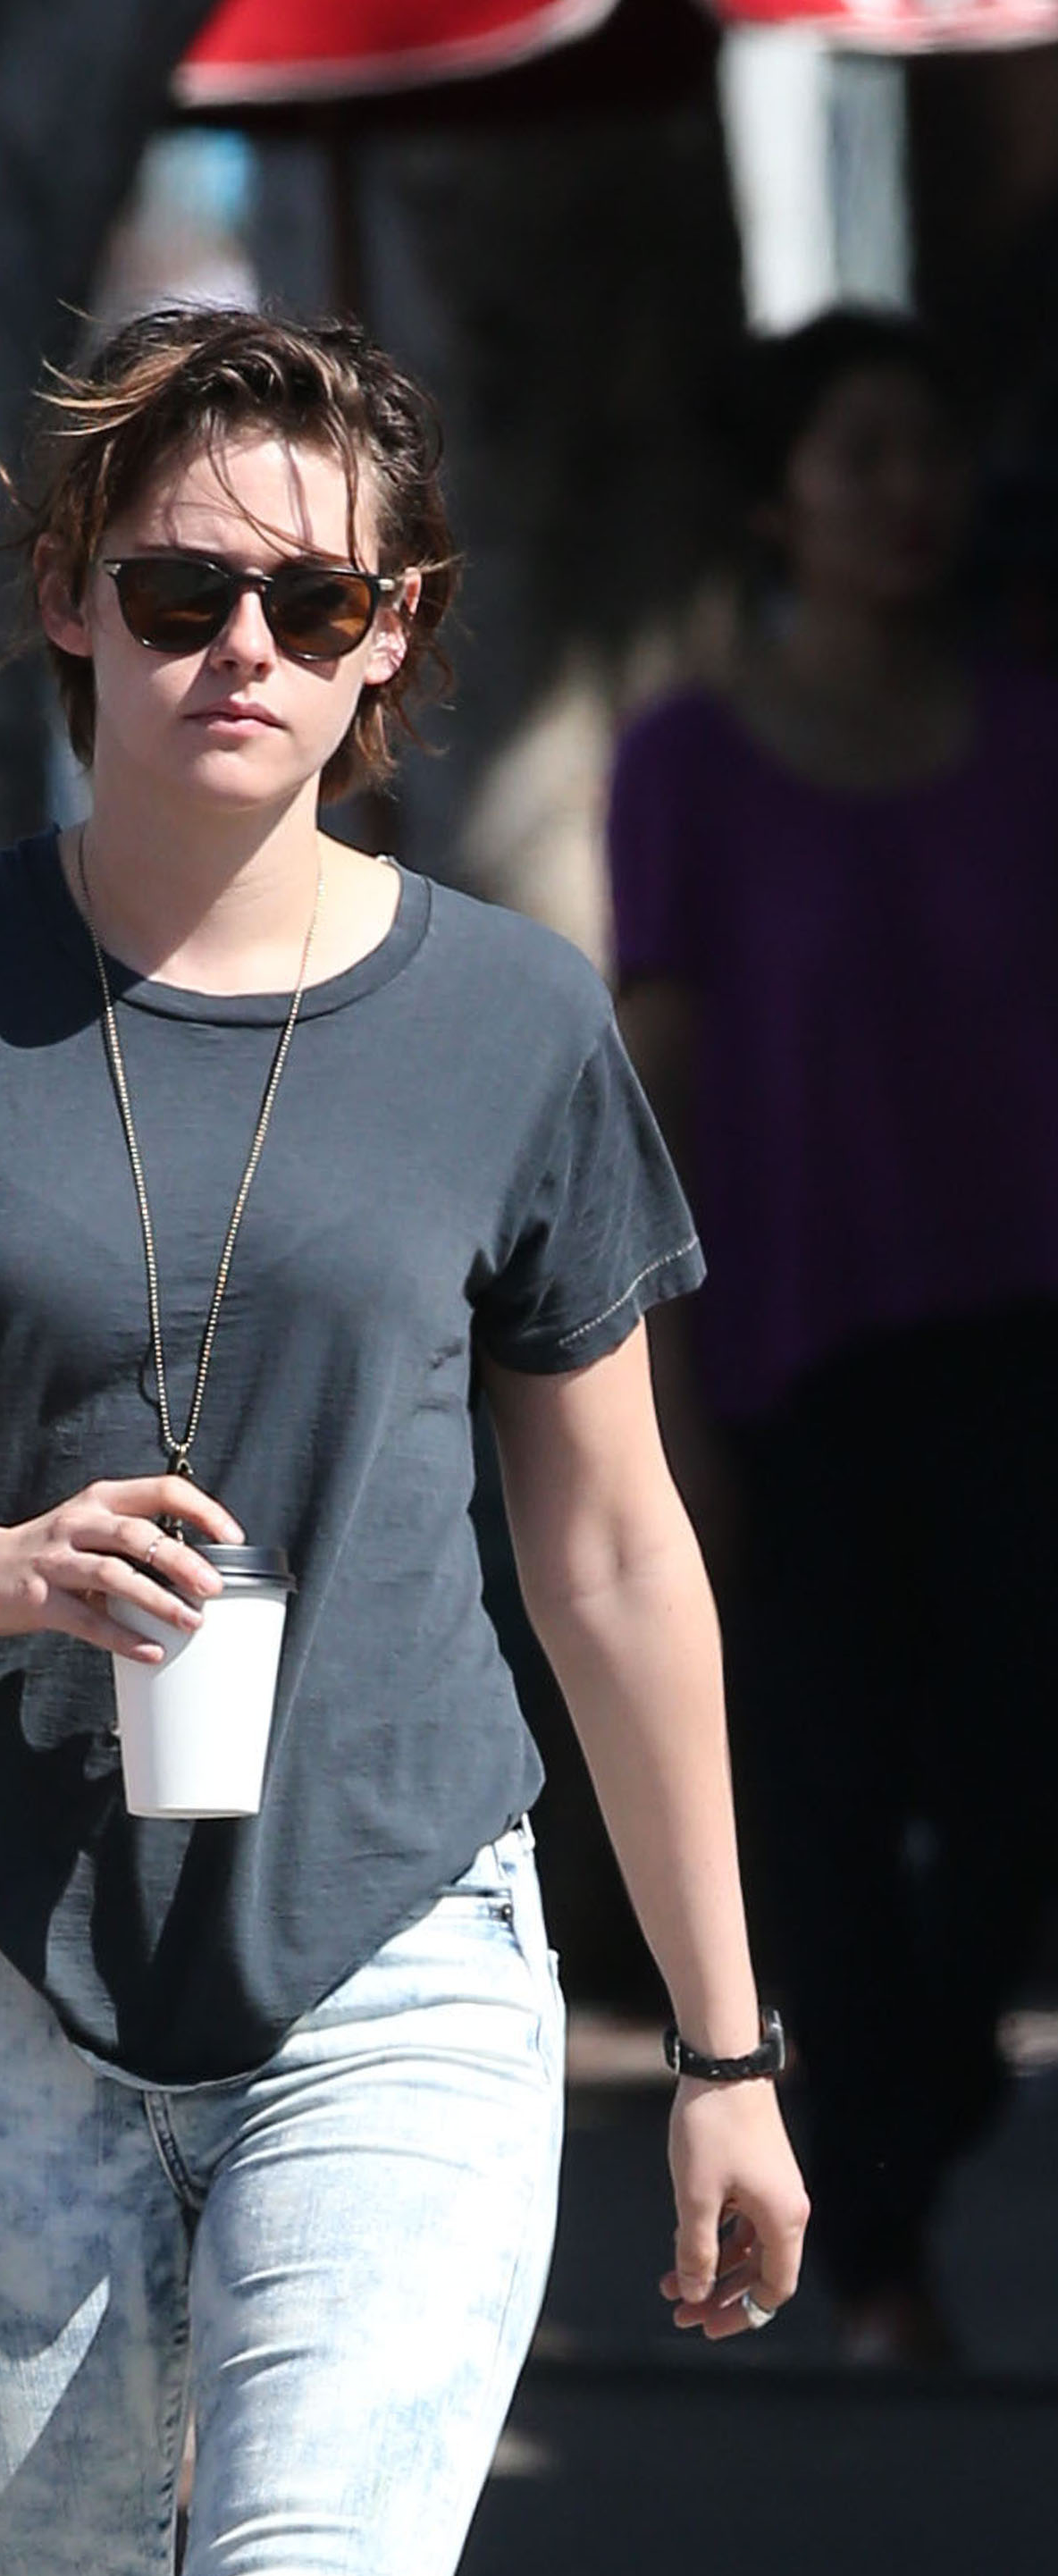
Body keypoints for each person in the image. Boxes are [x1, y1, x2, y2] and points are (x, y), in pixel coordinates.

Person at [0, 308, 808, 2576]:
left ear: (389, 632)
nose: (242, 650)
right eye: (179, 588)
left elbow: (615, 1554)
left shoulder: (511, 1018)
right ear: (66, 594)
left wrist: (723, 2054)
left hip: (395, 1944)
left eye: (313, 603)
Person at [610, 307, 1058, 2368]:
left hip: (1017, 1353)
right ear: (774, 496)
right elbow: (654, 1083)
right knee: (820, 1811)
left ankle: (889, 2155)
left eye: (924, 450)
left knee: (1016, 1794)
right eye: (855, 452)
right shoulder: (683, 762)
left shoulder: (1031, 735)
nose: (902, 492)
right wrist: (661, 1402)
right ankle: (873, 2237)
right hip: (785, 1363)